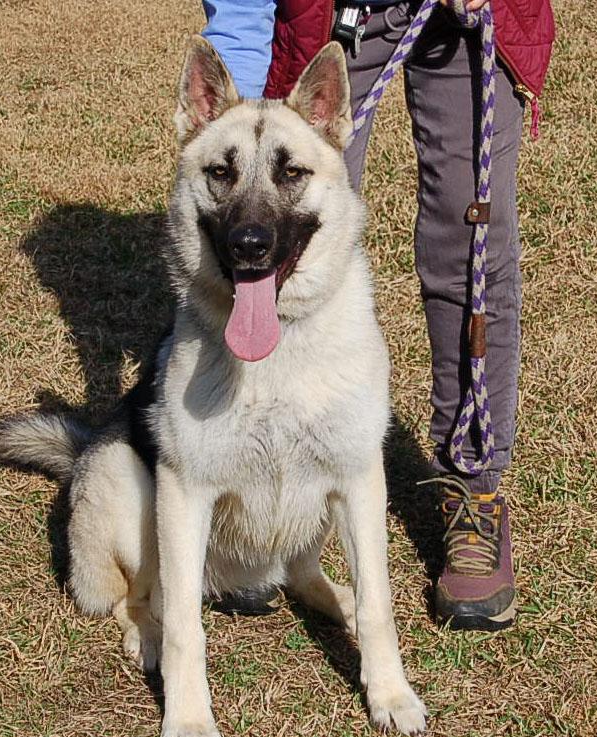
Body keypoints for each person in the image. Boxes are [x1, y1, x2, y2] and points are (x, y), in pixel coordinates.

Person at [201, 0, 555, 631]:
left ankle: (473, 483)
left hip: (466, 20)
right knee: (288, 239)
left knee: (469, 242)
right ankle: (254, 497)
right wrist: (229, 114)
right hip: (331, 14)